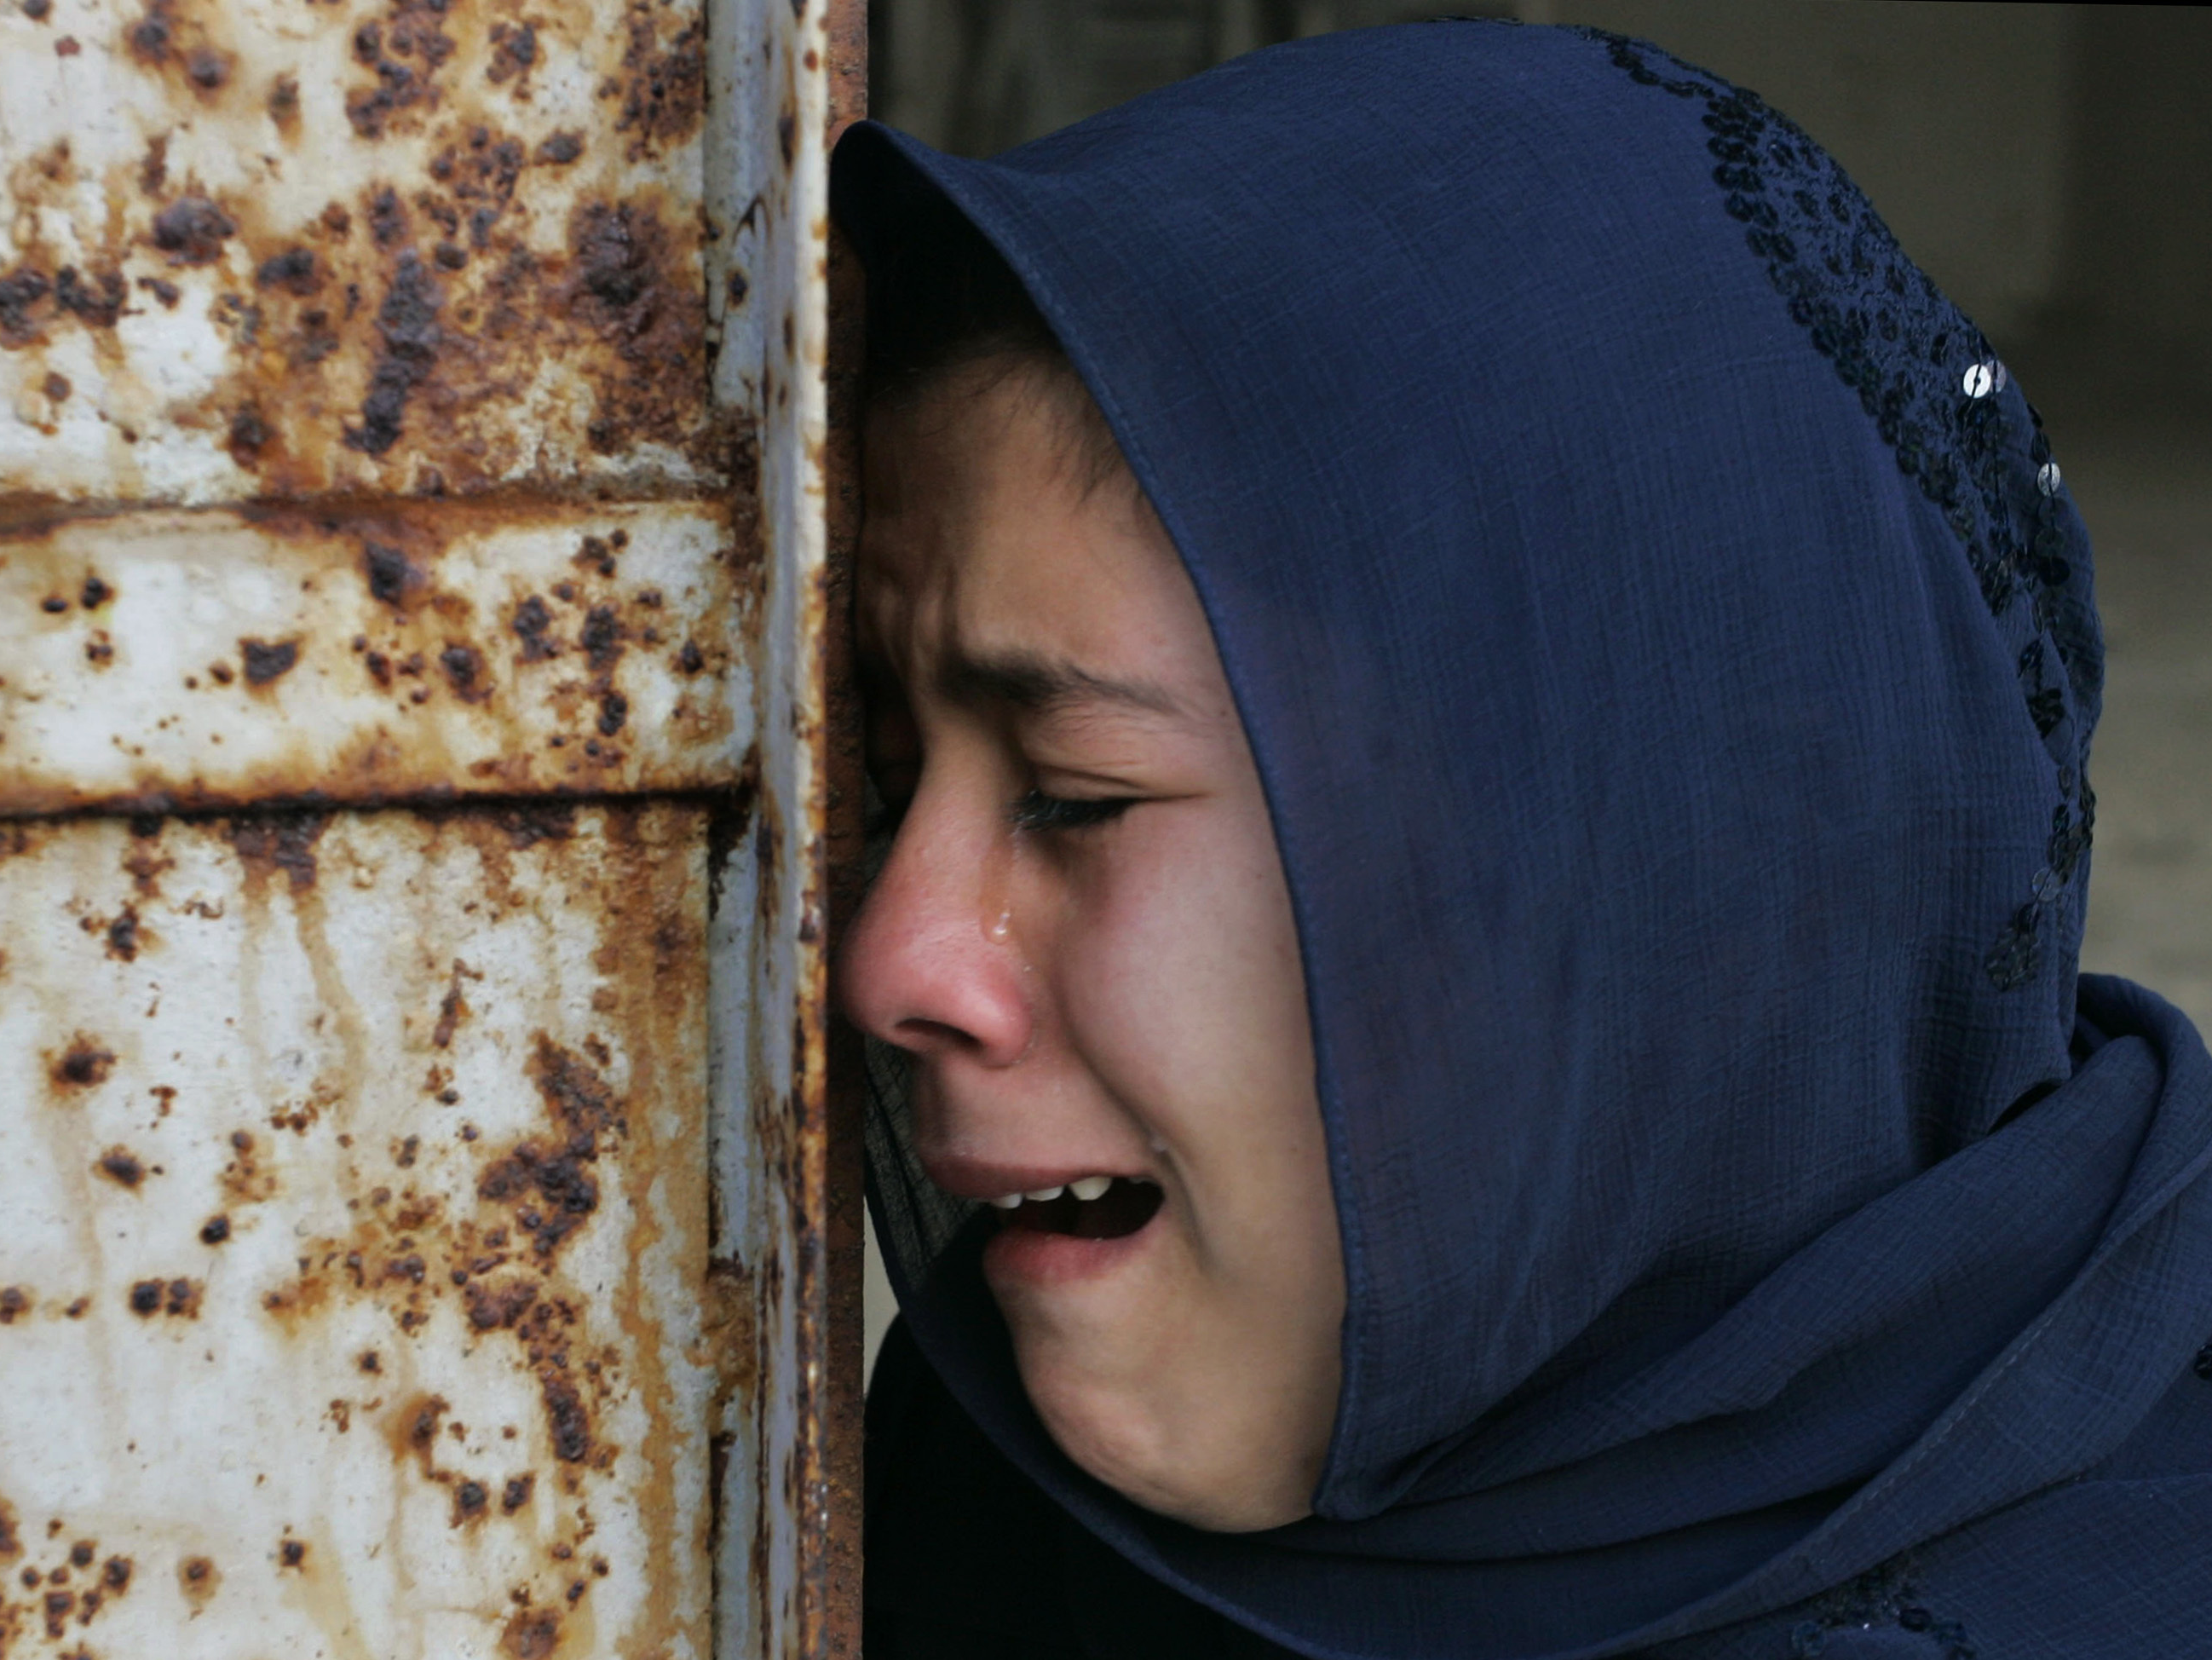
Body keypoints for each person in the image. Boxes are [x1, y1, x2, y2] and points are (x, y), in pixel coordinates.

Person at [832, 20, 2212, 1660]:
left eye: (1075, 793)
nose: (887, 963)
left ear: (1654, 879)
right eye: (889, 783)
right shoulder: (972, 1501)